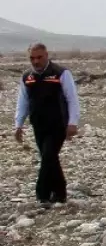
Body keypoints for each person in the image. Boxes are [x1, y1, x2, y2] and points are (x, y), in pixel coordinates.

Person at [12, 43, 81, 205]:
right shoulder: (27, 77)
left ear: (47, 55)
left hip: (58, 124)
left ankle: (42, 194)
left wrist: (73, 123)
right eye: (32, 58)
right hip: (38, 124)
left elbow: (72, 99)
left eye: (39, 57)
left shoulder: (61, 73)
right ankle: (60, 193)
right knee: (49, 157)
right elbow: (22, 102)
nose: (35, 61)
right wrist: (18, 124)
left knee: (49, 155)